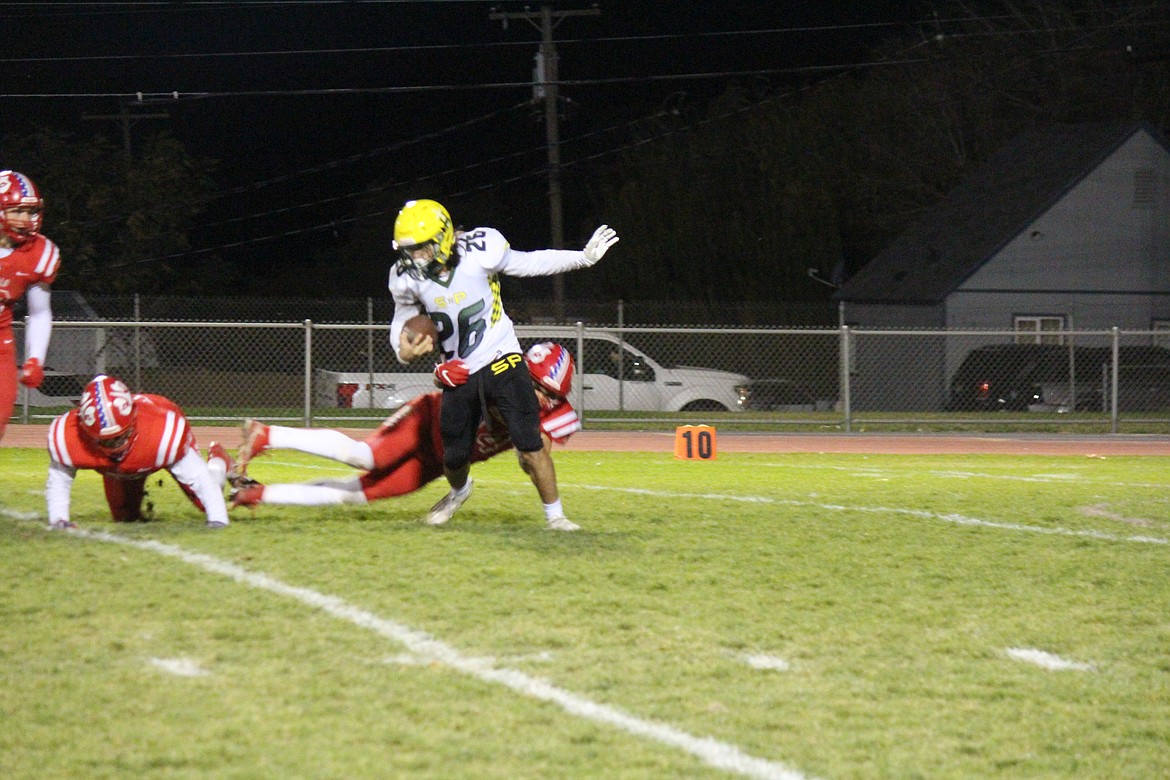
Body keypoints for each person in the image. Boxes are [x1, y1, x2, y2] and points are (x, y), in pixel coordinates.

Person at [388, 198, 617, 531]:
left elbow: (529, 263)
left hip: (502, 358)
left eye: (420, 248)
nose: (413, 257)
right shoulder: (403, 277)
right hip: (458, 370)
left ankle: (556, 517)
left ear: (443, 237)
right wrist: (405, 352)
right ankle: (460, 490)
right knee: (452, 457)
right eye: (407, 250)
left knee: (530, 444)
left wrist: (581, 258)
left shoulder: (481, 249)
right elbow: (401, 327)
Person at [229, 342, 582, 518]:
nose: (543, 400)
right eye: (539, 388)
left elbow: (538, 453)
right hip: (427, 421)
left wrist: (529, 453)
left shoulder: (551, 413)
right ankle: (267, 434)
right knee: (363, 455)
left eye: (552, 395)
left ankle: (255, 495)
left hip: (441, 460)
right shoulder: (496, 374)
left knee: (352, 495)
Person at [45, 374, 233, 530]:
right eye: (107, 440)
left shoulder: (161, 430)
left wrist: (218, 520)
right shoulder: (71, 435)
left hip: (155, 421)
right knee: (125, 518)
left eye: (120, 435)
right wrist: (59, 520)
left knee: (206, 499)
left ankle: (218, 462)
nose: (115, 445)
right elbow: (59, 480)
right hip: (122, 466)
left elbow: (199, 477)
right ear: (85, 429)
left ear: (133, 420)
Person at [0, 170, 58, 442]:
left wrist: (36, 358)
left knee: (2, 406)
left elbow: (39, 311)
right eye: (17, 211)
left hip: (1, 340)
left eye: (30, 211)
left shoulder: (39, 253)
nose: (25, 220)